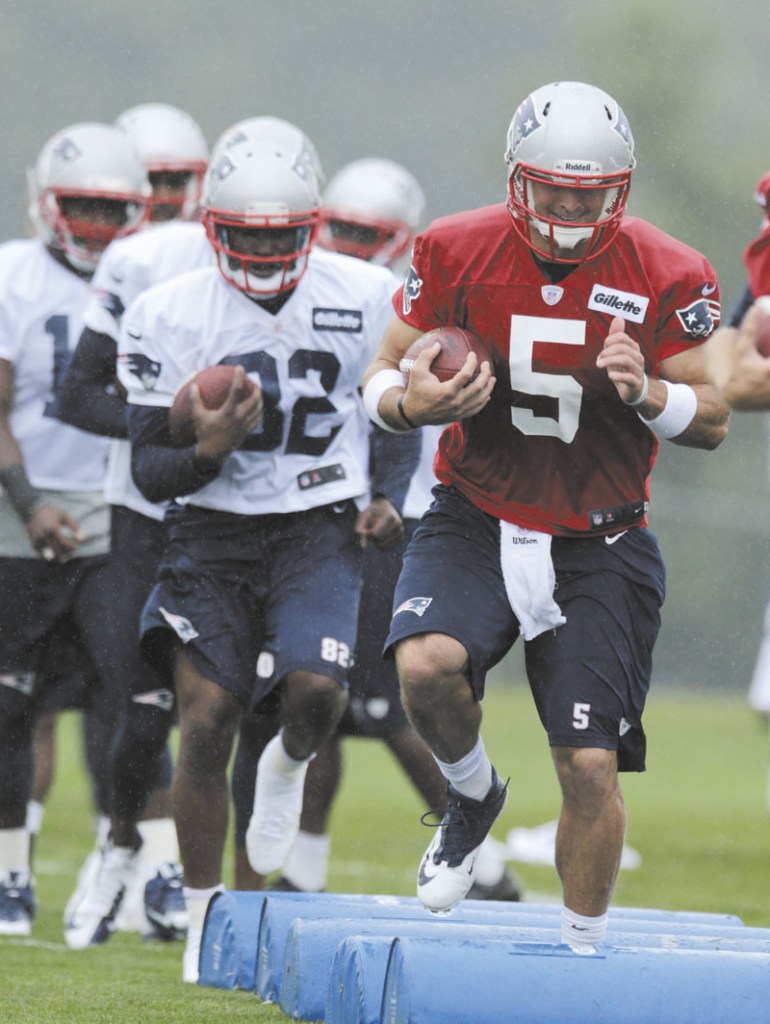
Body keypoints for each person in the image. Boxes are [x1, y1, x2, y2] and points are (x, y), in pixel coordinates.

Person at [362, 80, 730, 952]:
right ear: (516, 177)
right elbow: (381, 371)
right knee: (424, 665)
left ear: (620, 189)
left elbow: (712, 419)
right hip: (476, 512)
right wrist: (412, 409)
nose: (568, 206)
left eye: (587, 192)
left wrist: (649, 394)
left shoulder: (668, 268)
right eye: (552, 187)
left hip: (600, 536)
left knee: (590, 767)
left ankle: (580, 951)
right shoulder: (454, 248)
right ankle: (471, 792)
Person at [112, 142, 413, 982]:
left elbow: (394, 408)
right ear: (213, 227)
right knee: (206, 714)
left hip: (319, 523)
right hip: (210, 529)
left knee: (317, 692)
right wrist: (209, 450)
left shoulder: (365, 293)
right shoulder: (168, 311)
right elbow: (148, 468)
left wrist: (384, 495)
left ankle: (283, 769)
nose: (268, 255)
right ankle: (214, 918)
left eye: (284, 238)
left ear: (312, 230)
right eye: (249, 235)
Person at [240, 156, 521, 901]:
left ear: (401, 238)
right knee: (325, 695)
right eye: (344, 227)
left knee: (383, 703)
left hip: (416, 519)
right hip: (345, 516)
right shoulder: (320, 298)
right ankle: (306, 866)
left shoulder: (433, 298)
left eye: (370, 231)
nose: (354, 242)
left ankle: (483, 862)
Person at [56, 104, 210, 946]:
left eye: (172, 182)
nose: (156, 198)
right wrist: (169, 427)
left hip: (234, 516)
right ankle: (131, 851)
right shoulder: (135, 258)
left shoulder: (264, 260)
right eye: (144, 183)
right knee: (129, 696)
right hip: (140, 505)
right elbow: (77, 394)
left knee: (215, 704)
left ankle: (193, 868)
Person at [0, 122, 149, 935]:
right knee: (10, 701)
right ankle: (9, 876)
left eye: (110, 206)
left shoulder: (149, 273)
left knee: (134, 694)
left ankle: (141, 865)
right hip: (23, 508)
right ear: (46, 203)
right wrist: (29, 504)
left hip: (119, 504)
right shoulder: (11, 275)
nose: (94, 223)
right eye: (80, 204)